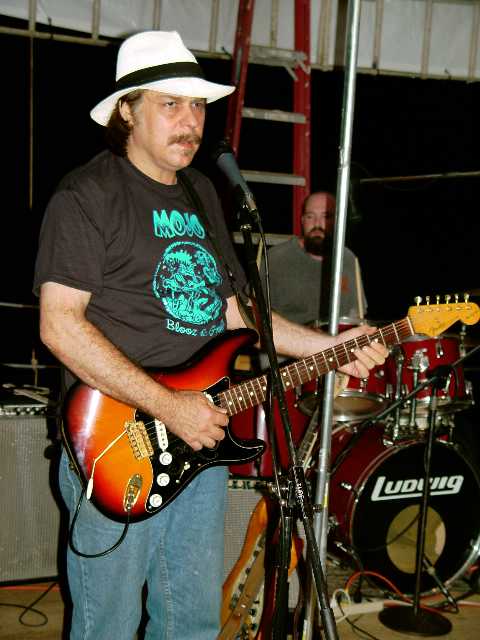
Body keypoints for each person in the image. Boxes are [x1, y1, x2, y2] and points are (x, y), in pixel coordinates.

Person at [33, 30, 388, 640]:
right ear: (127, 111)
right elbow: (60, 325)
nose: (191, 121)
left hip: (201, 442)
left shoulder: (201, 193)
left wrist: (334, 347)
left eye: (197, 105)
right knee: (108, 626)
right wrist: (168, 405)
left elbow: (235, 313)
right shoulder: (87, 195)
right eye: (170, 104)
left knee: (193, 622)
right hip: (118, 445)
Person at [261, 191, 367, 327]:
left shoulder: (348, 259)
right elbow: (252, 310)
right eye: (310, 216)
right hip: (289, 340)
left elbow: (356, 315)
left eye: (326, 216)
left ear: (337, 221)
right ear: (302, 220)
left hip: (339, 340)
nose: (317, 224)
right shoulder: (276, 258)